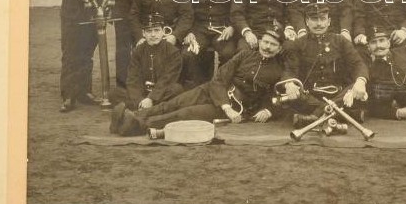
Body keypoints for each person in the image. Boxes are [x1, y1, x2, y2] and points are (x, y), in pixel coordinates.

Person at [111, 26, 286, 135]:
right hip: (215, 92)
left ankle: (138, 125)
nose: (267, 47)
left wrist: (268, 111)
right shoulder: (246, 54)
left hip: (233, 108)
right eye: (265, 42)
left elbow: (279, 98)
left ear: (279, 50)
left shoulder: (279, 71)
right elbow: (219, 79)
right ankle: (131, 116)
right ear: (260, 41)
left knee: (185, 113)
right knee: (175, 103)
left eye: (273, 45)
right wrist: (224, 103)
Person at [280, 4, 368, 118]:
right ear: (307, 21)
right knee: (294, 95)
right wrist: (289, 83)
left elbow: (358, 64)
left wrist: (361, 82)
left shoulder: (340, 41)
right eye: (314, 19)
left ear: (329, 21)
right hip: (310, 97)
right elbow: (290, 69)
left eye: (322, 19)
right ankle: (341, 115)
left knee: (357, 89)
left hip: (338, 94)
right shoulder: (298, 44)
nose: (319, 24)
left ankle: (315, 117)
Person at [182, 0, 238, 86]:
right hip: (199, 29)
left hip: (222, 28)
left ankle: (221, 85)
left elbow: (236, 9)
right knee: (189, 54)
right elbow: (185, 13)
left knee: (229, 53)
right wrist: (188, 32)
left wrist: (231, 27)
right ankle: (199, 86)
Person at [108, 14, 183, 115]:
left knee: (176, 90)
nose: (153, 35)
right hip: (142, 94)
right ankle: (149, 110)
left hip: (161, 93)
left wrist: (151, 99)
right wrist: (140, 100)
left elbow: (167, 79)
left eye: (156, 30)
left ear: (163, 32)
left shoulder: (173, 52)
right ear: (143, 33)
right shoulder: (138, 51)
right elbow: (133, 78)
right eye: (149, 31)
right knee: (114, 93)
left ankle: (139, 111)